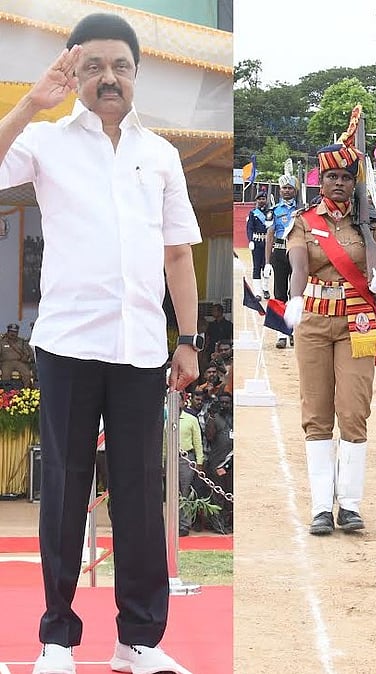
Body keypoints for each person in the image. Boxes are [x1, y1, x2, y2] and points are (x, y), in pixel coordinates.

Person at [0, 13, 201, 672]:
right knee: (62, 489)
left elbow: (177, 255)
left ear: (136, 74)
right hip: (66, 344)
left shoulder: (162, 154)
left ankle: (138, 640)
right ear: (74, 73)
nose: (107, 78)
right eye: (92, 67)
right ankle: (57, 638)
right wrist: (30, 101)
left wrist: (190, 338)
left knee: (141, 494)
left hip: (142, 348)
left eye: (119, 66)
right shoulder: (46, 141)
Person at [282, 109, 376, 536]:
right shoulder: (305, 223)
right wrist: (292, 300)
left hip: (357, 323)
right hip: (314, 321)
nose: (340, 183)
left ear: (354, 181)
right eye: (332, 178)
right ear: (320, 181)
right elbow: (297, 268)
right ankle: (320, 508)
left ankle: (349, 503)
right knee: (317, 412)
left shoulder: (368, 221)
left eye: (347, 177)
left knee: (353, 410)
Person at [270, 173, 301, 348]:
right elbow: (270, 235)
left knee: (296, 294)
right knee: (280, 293)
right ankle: (281, 333)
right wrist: (267, 261)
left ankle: (295, 331)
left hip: (297, 252)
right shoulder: (275, 210)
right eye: (284, 188)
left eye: (290, 188)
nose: (287, 191)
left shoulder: (301, 209)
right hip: (280, 252)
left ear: (295, 190)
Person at [167, 395, 203, 537]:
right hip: (170, 457)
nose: (176, 403)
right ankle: (171, 523)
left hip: (186, 458)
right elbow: (164, 440)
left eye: (179, 400)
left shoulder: (191, 419)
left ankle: (184, 525)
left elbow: (197, 441)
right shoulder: (166, 417)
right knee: (171, 492)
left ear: (183, 402)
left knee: (185, 491)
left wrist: (199, 462)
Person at [204, 392, 234, 534]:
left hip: (232, 463)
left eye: (227, 402)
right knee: (218, 495)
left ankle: (228, 523)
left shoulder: (234, 418)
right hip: (217, 463)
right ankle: (218, 525)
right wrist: (211, 415)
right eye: (222, 402)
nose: (224, 405)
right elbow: (209, 436)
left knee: (230, 494)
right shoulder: (214, 417)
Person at [246, 189, 271, 297]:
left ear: (266, 200)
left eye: (263, 199)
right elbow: (249, 228)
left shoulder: (270, 212)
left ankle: (265, 288)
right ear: (256, 200)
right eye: (260, 199)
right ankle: (257, 292)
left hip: (267, 243)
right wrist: (251, 240)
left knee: (266, 266)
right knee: (256, 267)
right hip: (256, 242)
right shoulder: (252, 213)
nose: (262, 201)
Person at [0, 322, 35, 387]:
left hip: (19, 362)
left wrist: (26, 357)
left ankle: (26, 391)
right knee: (6, 374)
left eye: (15, 332)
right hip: (6, 362)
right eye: (11, 331)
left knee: (26, 373)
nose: (13, 333)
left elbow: (27, 352)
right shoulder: (2, 342)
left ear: (17, 333)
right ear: (8, 331)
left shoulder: (21, 342)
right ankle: (6, 393)